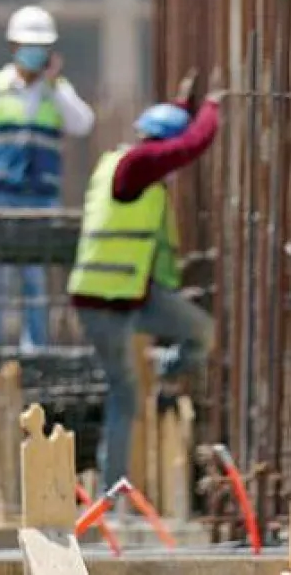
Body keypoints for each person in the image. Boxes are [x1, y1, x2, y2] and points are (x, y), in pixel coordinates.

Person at [68, 72, 222, 489]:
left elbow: (173, 141)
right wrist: (212, 109)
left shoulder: (129, 166)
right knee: (125, 395)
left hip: (133, 297)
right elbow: (188, 146)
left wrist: (185, 104)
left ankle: (161, 366)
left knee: (201, 332)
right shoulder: (135, 167)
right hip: (102, 303)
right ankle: (113, 492)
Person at [0, 5, 95, 351]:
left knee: (35, 279)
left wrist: (56, 84)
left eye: (41, 47)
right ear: (13, 46)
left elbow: (83, 123)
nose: (35, 53)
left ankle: (36, 351)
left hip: (41, 197)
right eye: (28, 46)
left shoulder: (55, 91)